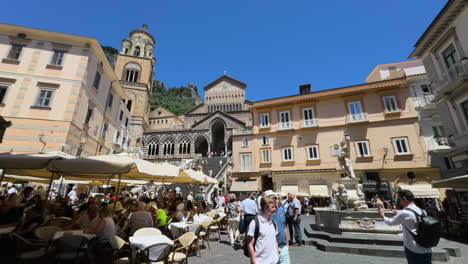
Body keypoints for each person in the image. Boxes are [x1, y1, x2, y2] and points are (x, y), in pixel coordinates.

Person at [379, 189, 432, 264]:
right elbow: (412, 214)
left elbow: (390, 222)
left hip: (413, 248)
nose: (399, 202)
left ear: (404, 199)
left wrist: (383, 215)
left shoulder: (404, 213)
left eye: (399, 199)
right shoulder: (423, 211)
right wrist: (396, 211)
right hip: (427, 247)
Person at [247, 197, 279, 264]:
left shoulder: (273, 223)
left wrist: (277, 255)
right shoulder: (255, 223)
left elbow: (275, 240)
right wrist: (253, 261)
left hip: (273, 261)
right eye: (273, 207)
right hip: (260, 261)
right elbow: (250, 244)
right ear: (265, 208)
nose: (275, 209)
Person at [270, 193, 290, 264]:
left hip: (283, 245)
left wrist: (287, 243)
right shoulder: (263, 213)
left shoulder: (281, 210)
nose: (274, 200)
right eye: (271, 199)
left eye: (275, 198)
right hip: (270, 248)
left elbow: (285, 227)